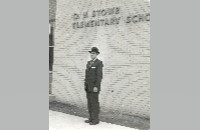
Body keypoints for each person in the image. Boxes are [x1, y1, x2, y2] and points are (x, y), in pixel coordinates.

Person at [84, 47, 103, 125]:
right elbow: (87, 75)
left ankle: (95, 120)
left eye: (93, 53)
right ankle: (91, 118)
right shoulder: (89, 63)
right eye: (91, 53)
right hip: (88, 86)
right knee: (89, 103)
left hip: (94, 87)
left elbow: (99, 76)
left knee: (94, 103)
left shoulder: (99, 63)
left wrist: (96, 86)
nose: (92, 55)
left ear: (97, 54)